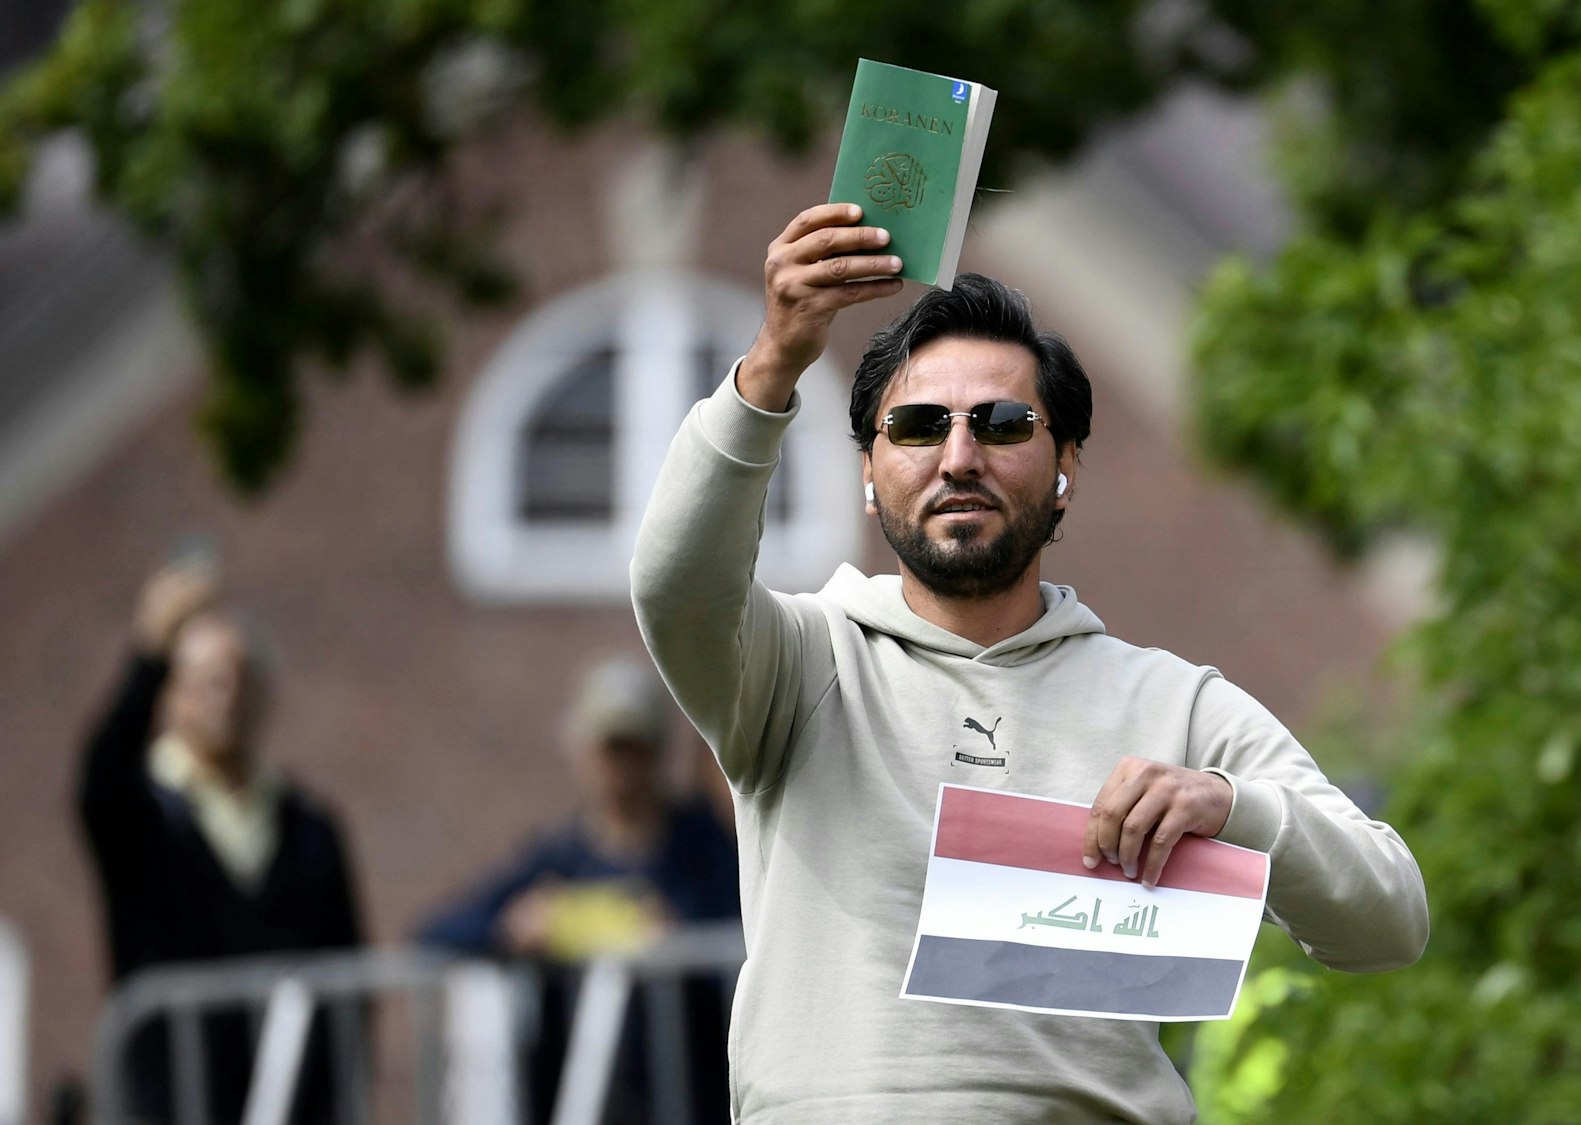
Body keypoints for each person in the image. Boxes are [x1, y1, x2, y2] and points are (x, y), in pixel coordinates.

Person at [629, 204, 1430, 1123]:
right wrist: (771, 364)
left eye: (1004, 423)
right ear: (868, 472)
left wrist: (1231, 807)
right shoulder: (798, 662)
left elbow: (1390, 921)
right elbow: (674, 586)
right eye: (918, 425)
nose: (959, 456)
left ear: (1066, 469)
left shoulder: (1174, 705)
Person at [77, 563, 364, 1123]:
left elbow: (348, 973)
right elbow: (100, 779)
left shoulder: (309, 826)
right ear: (168, 694)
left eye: (234, 677)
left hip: (292, 1105)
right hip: (175, 1103)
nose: (222, 695)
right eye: (202, 679)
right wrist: (148, 653)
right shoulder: (143, 815)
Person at [417, 656, 739, 1124]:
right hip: (576, 1099)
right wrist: (514, 928)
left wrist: (680, 938)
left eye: (635, 747)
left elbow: (750, 943)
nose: (621, 765)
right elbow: (437, 933)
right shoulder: (556, 860)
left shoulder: (705, 850)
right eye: (610, 747)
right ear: (581, 751)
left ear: (658, 751)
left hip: (690, 1098)